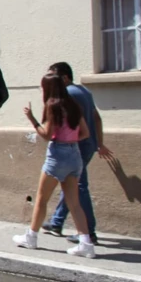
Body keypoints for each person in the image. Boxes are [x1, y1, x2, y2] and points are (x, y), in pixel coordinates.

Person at [14, 74, 96, 258]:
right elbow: (86, 133)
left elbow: (46, 134)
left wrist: (32, 119)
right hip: (75, 155)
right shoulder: (74, 105)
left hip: (57, 155)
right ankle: (86, 244)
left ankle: (31, 238)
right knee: (74, 203)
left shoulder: (53, 106)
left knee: (42, 199)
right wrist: (71, 140)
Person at [41, 62, 113, 244]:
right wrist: (99, 143)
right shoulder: (84, 91)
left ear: (64, 78)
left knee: (78, 187)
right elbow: (96, 117)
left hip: (75, 146)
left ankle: (89, 232)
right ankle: (57, 222)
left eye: (54, 77)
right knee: (71, 184)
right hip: (87, 144)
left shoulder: (68, 95)